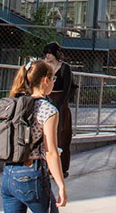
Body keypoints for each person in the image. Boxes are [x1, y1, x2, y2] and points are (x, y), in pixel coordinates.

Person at [0, 60, 67, 213]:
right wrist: (61, 185)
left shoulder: (14, 104)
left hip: (8, 173)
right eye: (53, 79)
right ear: (45, 80)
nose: (53, 83)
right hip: (32, 174)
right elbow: (51, 152)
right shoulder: (48, 110)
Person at [43, 42, 75, 177]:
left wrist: (59, 104)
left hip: (60, 102)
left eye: (50, 53)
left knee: (62, 135)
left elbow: (67, 88)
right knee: (47, 135)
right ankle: (47, 166)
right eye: (46, 53)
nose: (48, 56)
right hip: (47, 99)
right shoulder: (44, 68)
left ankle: (62, 168)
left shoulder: (64, 68)